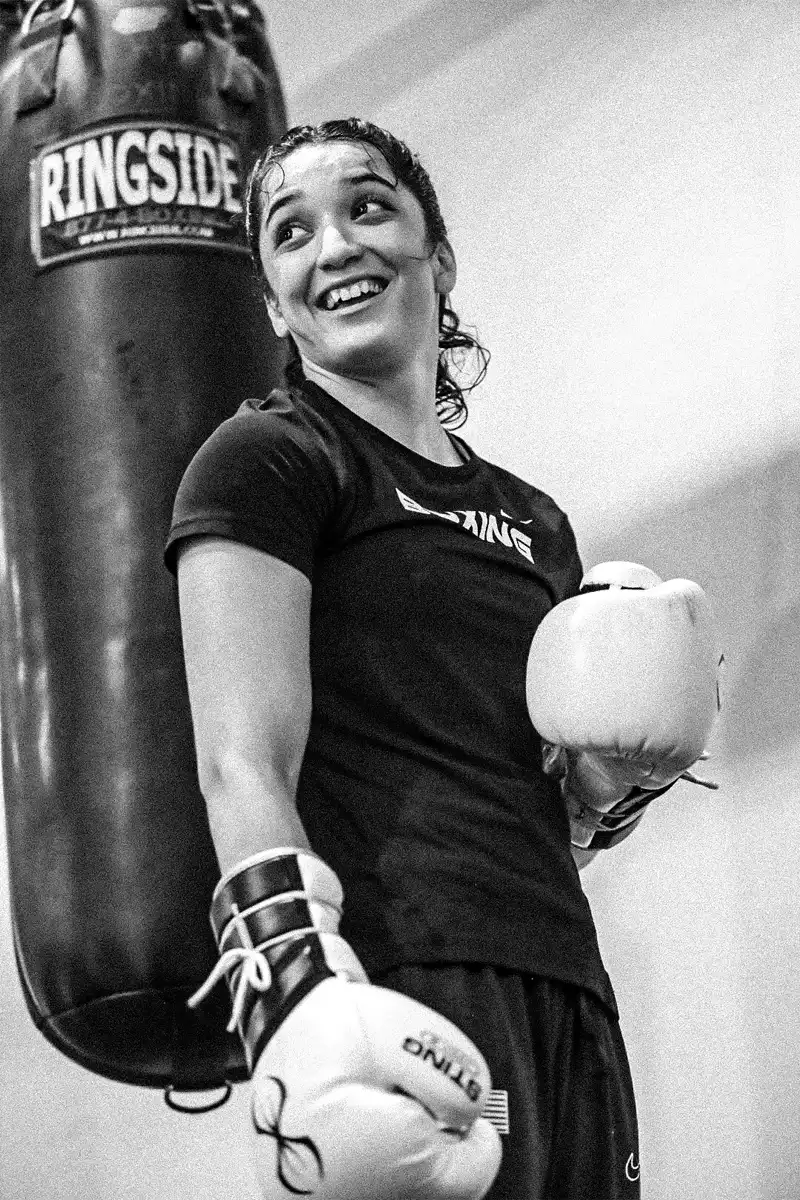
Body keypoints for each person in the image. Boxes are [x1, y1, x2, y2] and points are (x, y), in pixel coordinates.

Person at [164, 117, 717, 1199]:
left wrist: (614, 789)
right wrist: (297, 990)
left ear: (438, 255)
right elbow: (240, 760)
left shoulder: (533, 523)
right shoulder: (270, 457)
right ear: (274, 303)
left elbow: (551, 822)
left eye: (368, 208)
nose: (335, 247)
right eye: (292, 233)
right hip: (399, 975)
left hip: (564, 983)